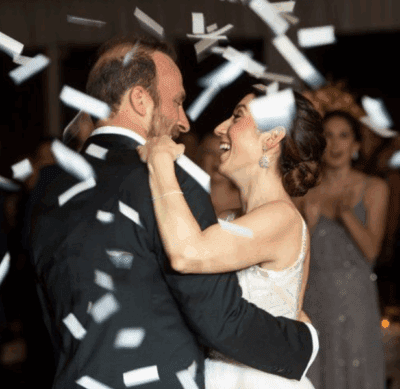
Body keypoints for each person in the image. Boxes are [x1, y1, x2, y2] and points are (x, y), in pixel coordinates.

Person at [27, 35, 318, 389]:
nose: (187, 122)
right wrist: (304, 343)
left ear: (272, 138)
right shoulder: (175, 188)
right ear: (140, 100)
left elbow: (45, 311)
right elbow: (216, 315)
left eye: (237, 116)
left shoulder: (47, 188)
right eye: (178, 102)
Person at [137, 90, 325, 388]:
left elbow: (188, 253)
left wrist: (160, 161)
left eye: (237, 116)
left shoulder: (282, 218)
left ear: (272, 137)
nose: (219, 128)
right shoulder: (228, 219)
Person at [295, 110, 388, 389]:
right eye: (328, 136)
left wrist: (345, 213)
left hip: (355, 299)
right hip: (313, 297)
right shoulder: (304, 190)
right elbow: (292, 255)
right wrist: (309, 224)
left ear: (356, 145)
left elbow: (372, 251)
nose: (335, 144)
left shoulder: (373, 187)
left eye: (344, 136)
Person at [195, 133, 241, 217]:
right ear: (201, 156)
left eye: (224, 152)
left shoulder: (246, 201)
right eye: (210, 152)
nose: (217, 158)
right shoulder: (188, 197)